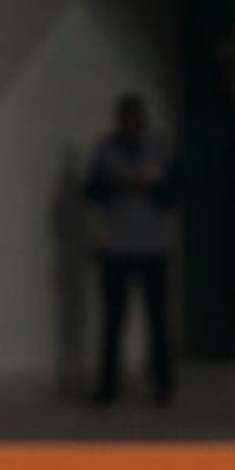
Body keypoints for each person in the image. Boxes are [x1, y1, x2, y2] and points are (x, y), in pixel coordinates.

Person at [85, 94, 178, 405]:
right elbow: (92, 192)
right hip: (116, 247)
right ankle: (108, 386)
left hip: (153, 245)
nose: (130, 125)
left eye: (135, 119)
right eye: (125, 119)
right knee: (113, 320)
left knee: (158, 319)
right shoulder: (105, 150)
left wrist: (149, 187)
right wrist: (117, 186)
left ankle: (163, 385)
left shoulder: (161, 149)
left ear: (143, 120)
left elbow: (176, 191)